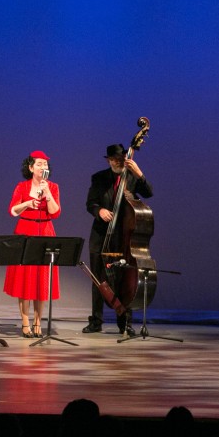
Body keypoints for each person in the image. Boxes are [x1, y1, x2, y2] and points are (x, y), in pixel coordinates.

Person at [83, 144, 154, 336]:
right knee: (98, 279)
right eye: (114, 159)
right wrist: (100, 211)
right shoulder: (98, 178)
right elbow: (90, 203)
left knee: (124, 279)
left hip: (124, 236)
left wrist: (139, 173)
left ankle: (125, 322)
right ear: (108, 160)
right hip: (101, 235)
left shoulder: (131, 176)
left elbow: (149, 192)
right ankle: (96, 321)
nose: (118, 162)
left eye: (121, 159)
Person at [3, 151, 61, 338]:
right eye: (39, 164)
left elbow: (55, 212)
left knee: (41, 279)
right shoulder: (22, 186)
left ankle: (38, 322)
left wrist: (48, 193)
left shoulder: (53, 186)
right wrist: (27, 203)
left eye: (45, 164)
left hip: (45, 231)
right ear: (30, 168)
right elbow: (12, 211)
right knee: (24, 278)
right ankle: (25, 322)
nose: (43, 167)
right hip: (25, 231)